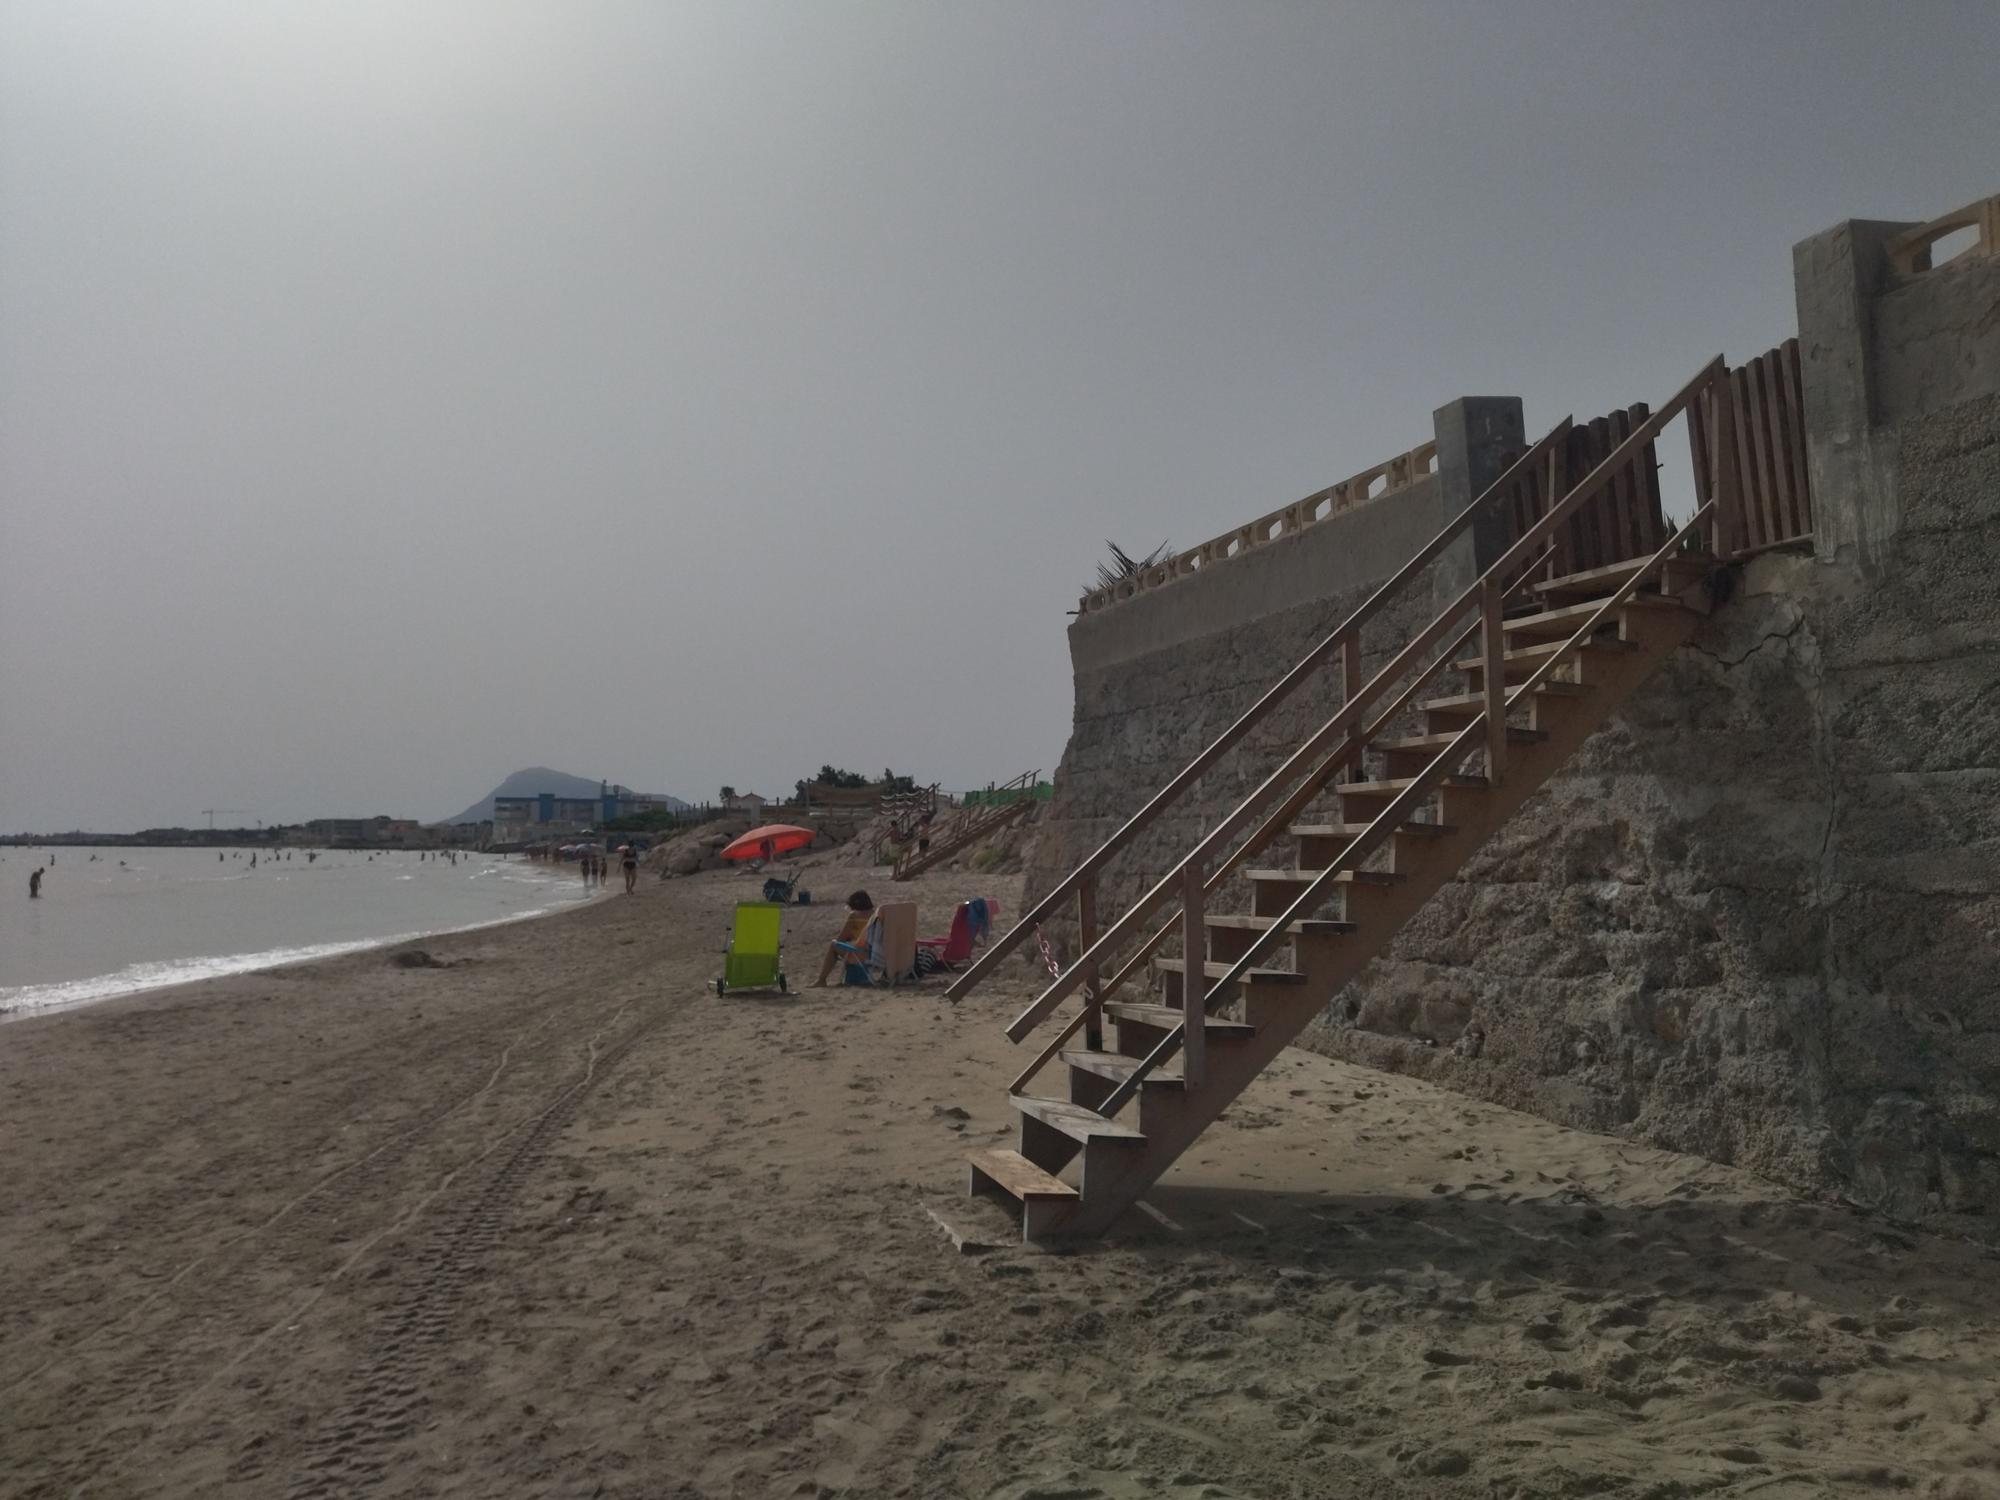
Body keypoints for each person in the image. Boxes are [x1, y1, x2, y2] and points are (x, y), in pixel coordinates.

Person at [814, 890, 875, 987]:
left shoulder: (854, 916)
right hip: (877, 953)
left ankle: (822, 980)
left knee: (834, 945)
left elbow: (840, 939)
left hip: (860, 954)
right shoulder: (876, 915)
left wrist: (851, 936)